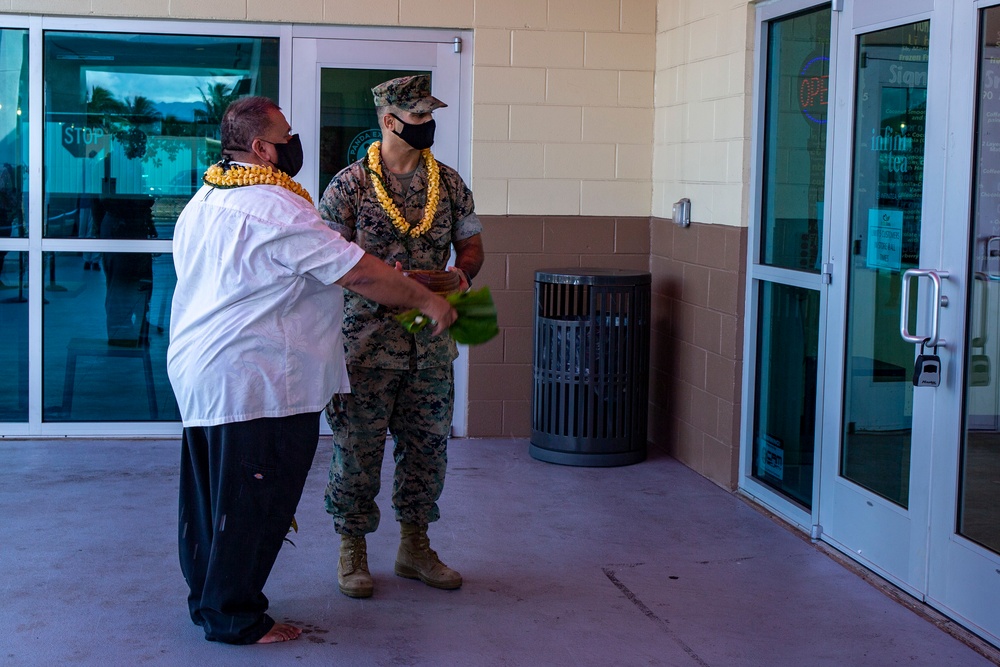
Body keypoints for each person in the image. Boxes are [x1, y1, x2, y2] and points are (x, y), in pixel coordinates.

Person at [167, 96, 456, 645]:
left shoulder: (207, 197)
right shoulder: (273, 205)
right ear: (260, 148)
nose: (294, 143)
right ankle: (235, 618)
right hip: (259, 381)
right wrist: (426, 300)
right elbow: (360, 274)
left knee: (212, 503)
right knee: (254, 505)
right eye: (286, 135)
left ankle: (209, 601)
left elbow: (287, 270)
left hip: (210, 374)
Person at [317, 74, 484, 599]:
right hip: (364, 345)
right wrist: (375, 274)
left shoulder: (450, 183)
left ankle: (415, 548)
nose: (428, 125)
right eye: (417, 117)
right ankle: (353, 551)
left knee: (427, 450)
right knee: (357, 453)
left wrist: (463, 276)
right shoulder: (349, 186)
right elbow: (324, 261)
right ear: (389, 121)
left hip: (430, 342)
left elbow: (473, 247)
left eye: (431, 116)